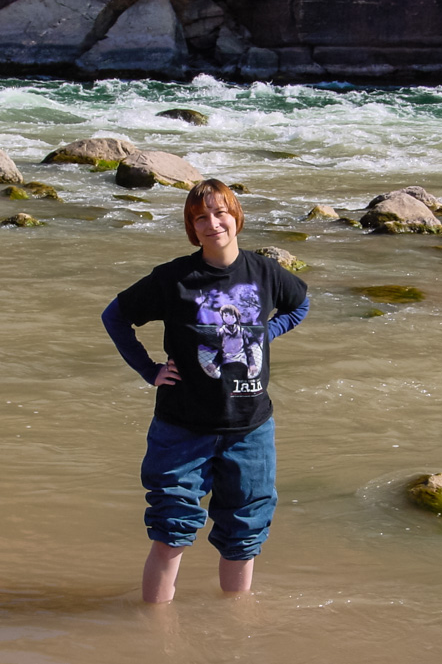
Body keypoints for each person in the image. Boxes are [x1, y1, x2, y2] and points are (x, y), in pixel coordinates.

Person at [101, 178, 309, 604]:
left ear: (236, 217)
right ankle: (153, 637)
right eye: (201, 218)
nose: (213, 223)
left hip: (250, 431)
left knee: (244, 536)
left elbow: (299, 303)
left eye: (220, 213)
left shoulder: (265, 272)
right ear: (191, 228)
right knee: (171, 534)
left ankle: (233, 628)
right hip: (181, 430)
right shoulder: (174, 278)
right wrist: (149, 370)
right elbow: (115, 317)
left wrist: (268, 332)